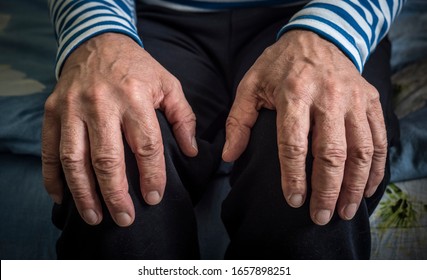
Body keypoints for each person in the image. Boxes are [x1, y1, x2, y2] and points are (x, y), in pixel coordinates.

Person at [42, 0, 403, 259]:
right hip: (145, 17)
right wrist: (97, 36)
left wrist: (329, 35)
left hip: (321, 9)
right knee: (118, 155)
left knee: (313, 154)